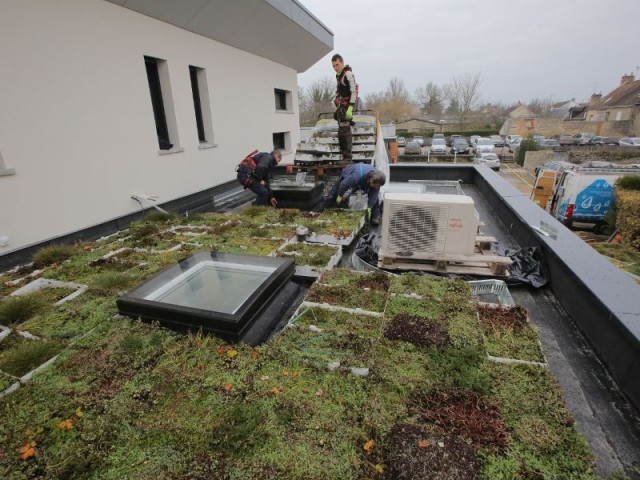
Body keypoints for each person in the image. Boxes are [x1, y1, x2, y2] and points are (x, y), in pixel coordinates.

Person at [317, 163, 386, 226]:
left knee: (375, 199)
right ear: (372, 180)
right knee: (332, 195)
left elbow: (373, 196)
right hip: (349, 174)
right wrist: (340, 195)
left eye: (378, 186)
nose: (376, 188)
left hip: (364, 180)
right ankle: (319, 212)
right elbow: (343, 185)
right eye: (375, 186)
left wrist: (369, 207)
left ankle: (375, 217)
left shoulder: (377, 181)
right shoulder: (355, 176)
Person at [332, 54, 357, 161]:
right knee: (341, 134)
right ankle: (344, 157)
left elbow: (354, 91)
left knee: (345, 133)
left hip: (348, 106)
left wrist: (351, 108)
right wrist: (337, 99)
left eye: (337, 65)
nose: (335, 68)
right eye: (333, 66)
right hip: (342, 107)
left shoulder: (348, 74)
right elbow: (339, 92)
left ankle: (347, 158)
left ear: (342, 63)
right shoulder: (338, 76)